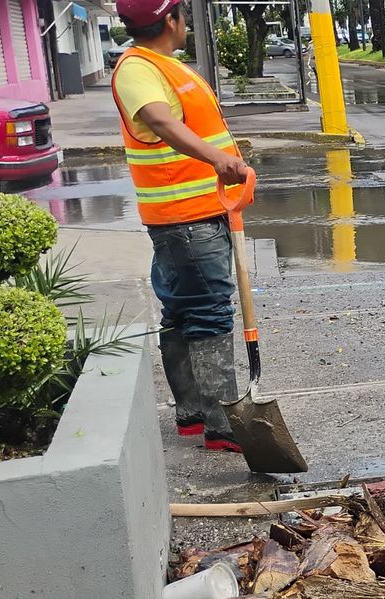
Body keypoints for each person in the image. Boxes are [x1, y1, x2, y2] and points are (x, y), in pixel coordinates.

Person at [113, 0, 252, 453]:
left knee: (183, 309)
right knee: (209, 312)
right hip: (184, 218)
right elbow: (159, 120)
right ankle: (222, 420)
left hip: (199, 210)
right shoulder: (137, 68)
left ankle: (193, 411)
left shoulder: (163, 65)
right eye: (183, 15)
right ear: (170, 20)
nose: (186, 23)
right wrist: (219, 159)